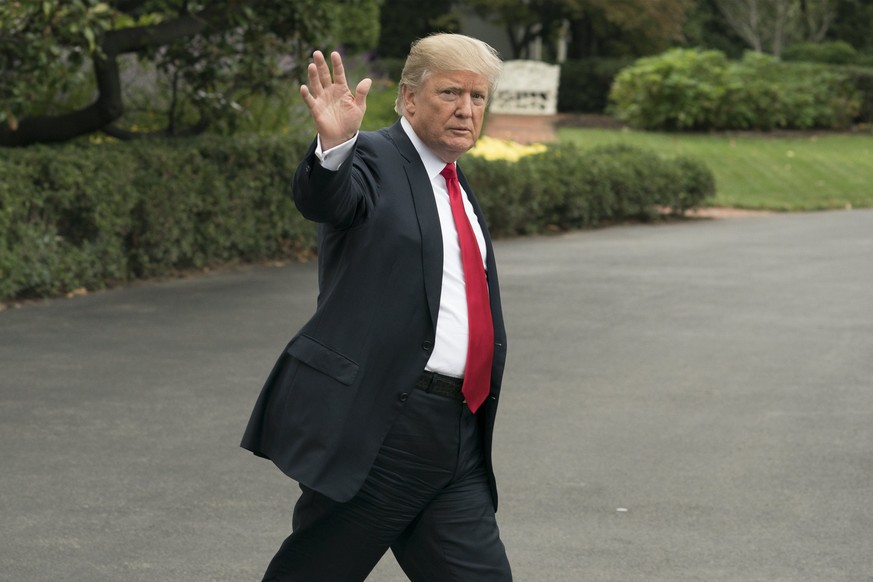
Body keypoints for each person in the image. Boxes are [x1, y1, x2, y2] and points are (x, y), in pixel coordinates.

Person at [241, 33, 511, 581]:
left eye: (477, 98)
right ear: (409, 98)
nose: (465, 110)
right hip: (386, 429)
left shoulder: (455, 186)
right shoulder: (372, 158)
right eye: (450, 93)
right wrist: (336, 146)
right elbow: (326, 199)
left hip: (459, 436)